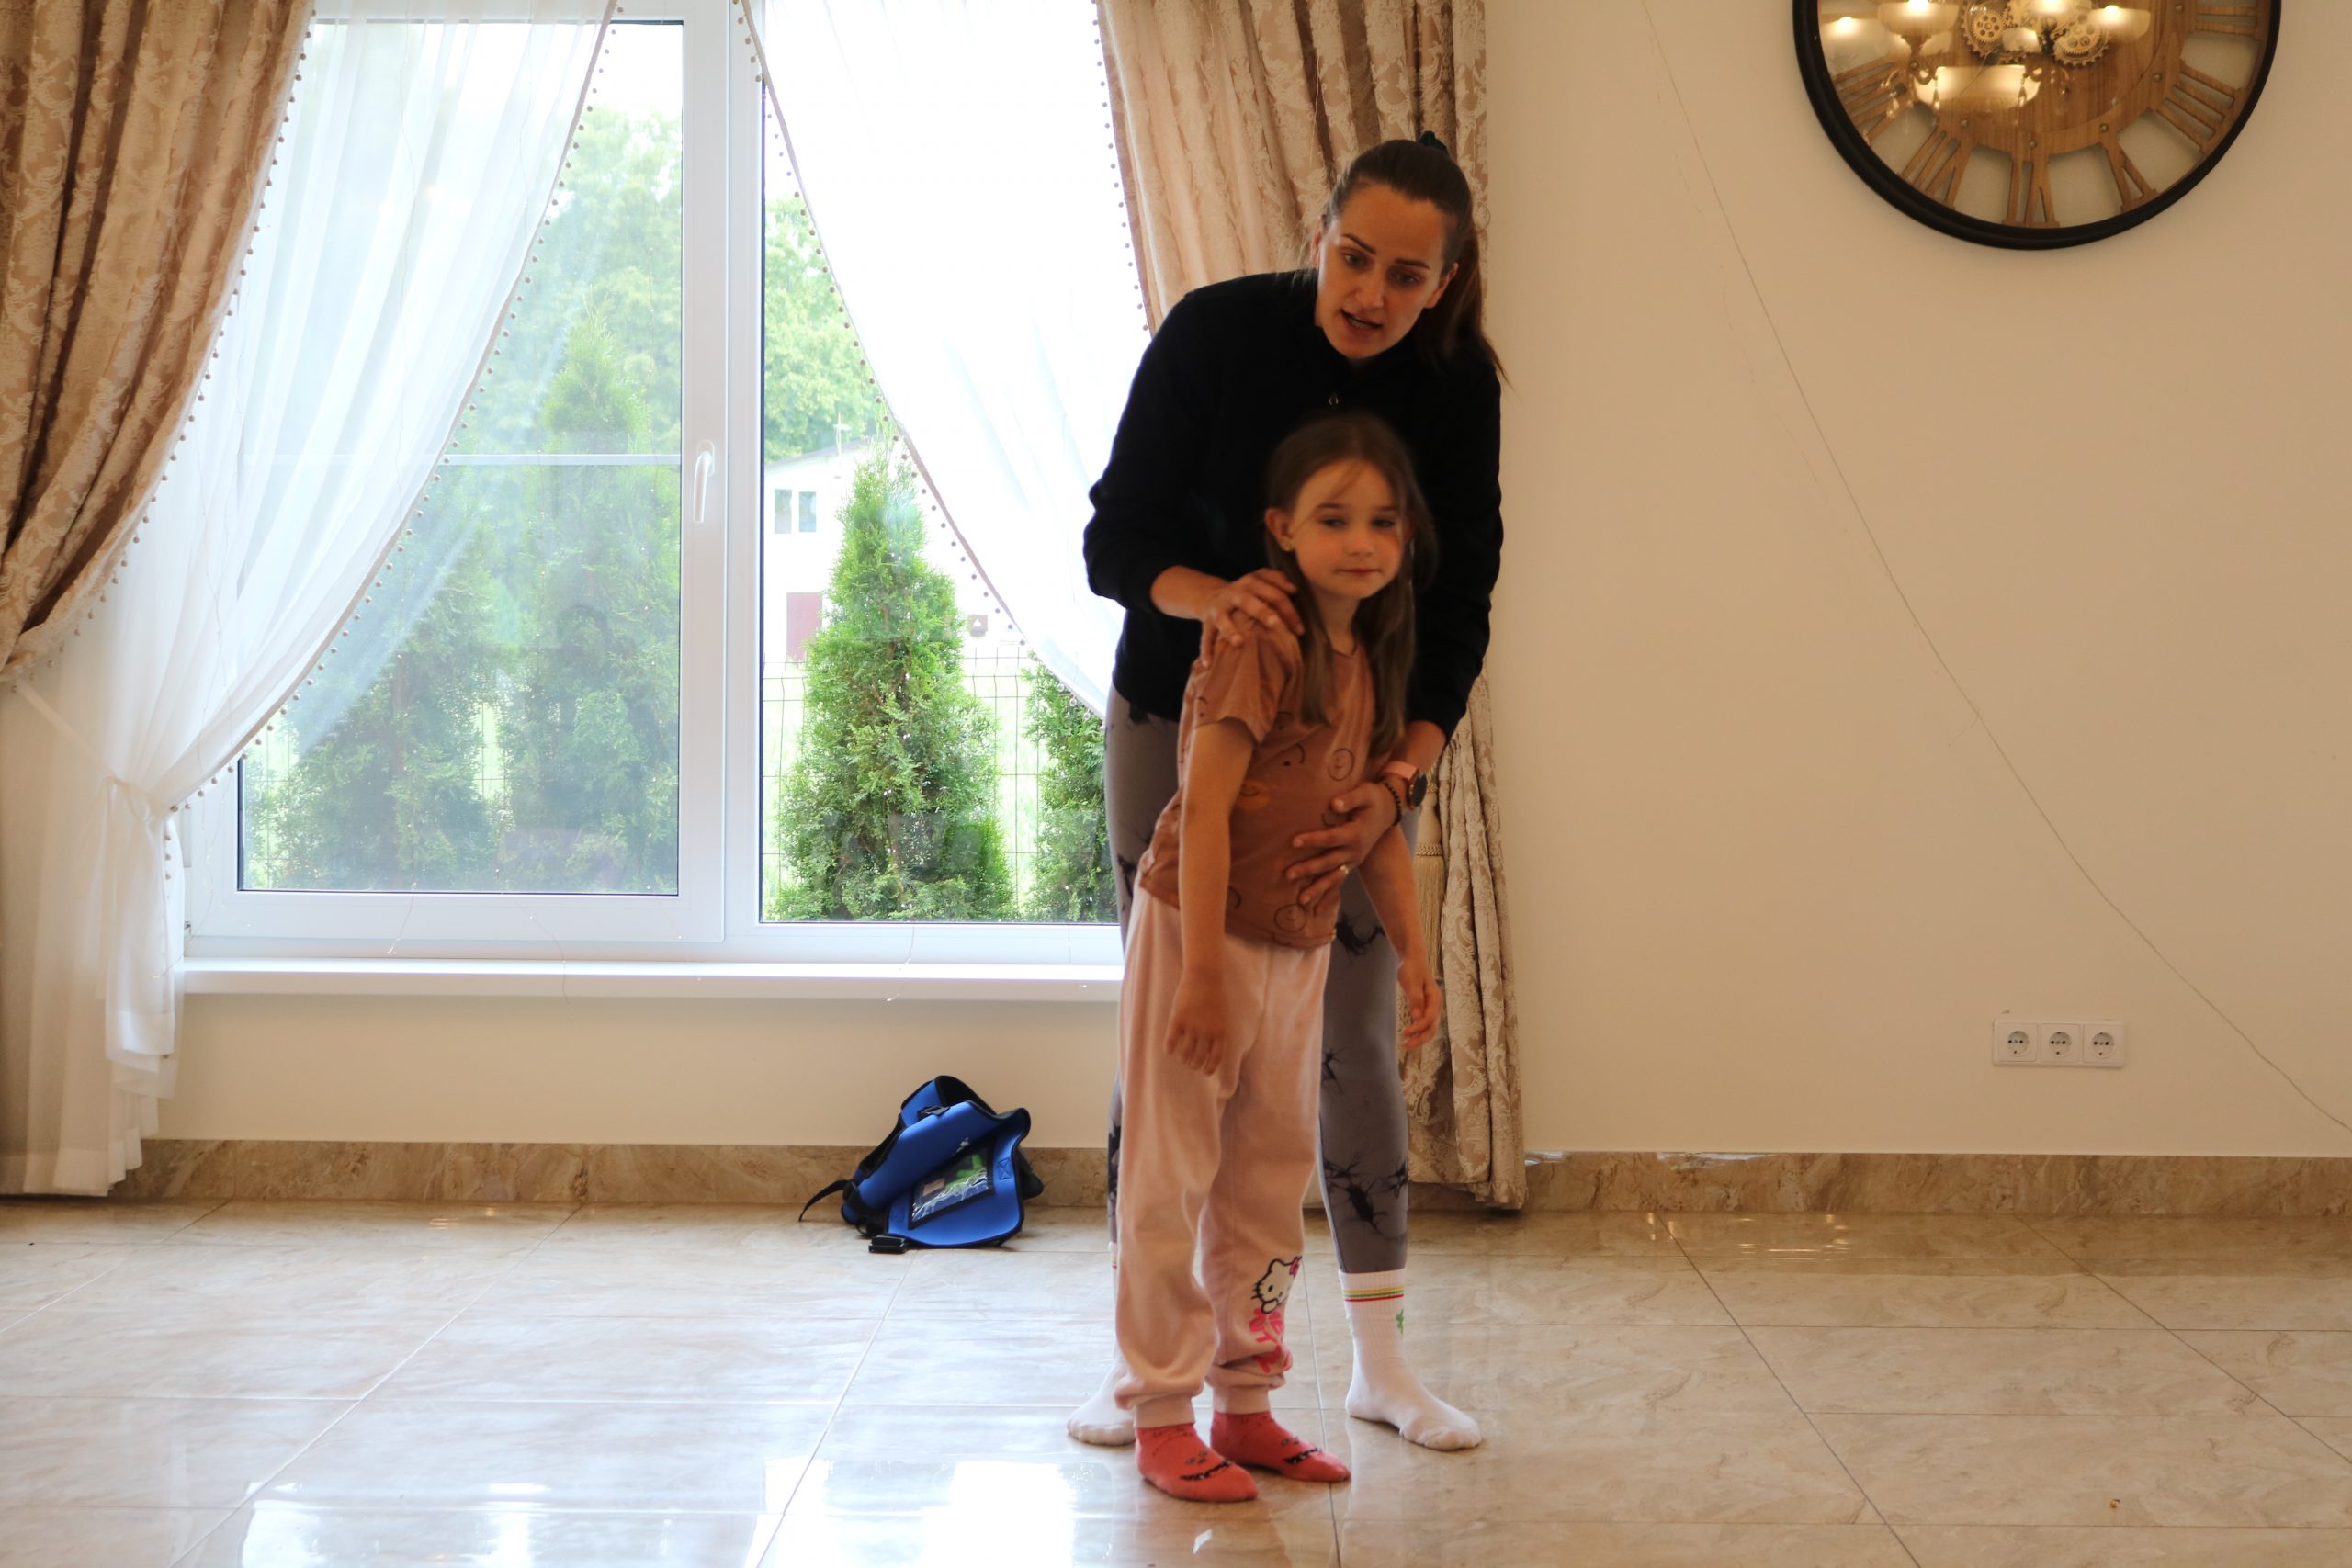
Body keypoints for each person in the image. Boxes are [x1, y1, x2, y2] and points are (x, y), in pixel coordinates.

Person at [1077, 133, 1503, 1454]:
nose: (1370, 292)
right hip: (1182, 725)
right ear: (1318, 233)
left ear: (1445, 282)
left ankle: (1374, 1363)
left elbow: (1462, 604)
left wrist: (1399, 780)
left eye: (1406, 275)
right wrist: (1227, 604)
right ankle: (1145, 1369)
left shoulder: (1457, 388)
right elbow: (1116, 539)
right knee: (1171, 1043)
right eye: (1352, 256)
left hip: (1356, 754)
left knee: (1351, 1042)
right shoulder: (1215, 334)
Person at [1113, 412, 1442, 1503]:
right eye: (1332, 518)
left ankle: (1245, 1404)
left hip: (1297, 947)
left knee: (1266, 1177)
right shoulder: (1258, 639)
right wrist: (1202, 974)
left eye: (1381, 521)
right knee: (1171, 1177)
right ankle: (1162, 1411)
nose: (1361, 541)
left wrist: (1415, 954)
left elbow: (1371, 826)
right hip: (1196, 934)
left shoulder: (1372, 656)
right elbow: (1202, 807)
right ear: (1281, 530)